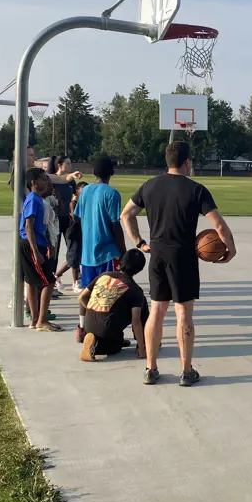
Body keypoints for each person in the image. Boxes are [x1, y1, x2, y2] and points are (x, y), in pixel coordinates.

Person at [121, 141, 236, 387]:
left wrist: (140, 242)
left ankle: (151, 368)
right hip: (183, 257)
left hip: (157, 256)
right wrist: (231, 248)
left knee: (157, 311)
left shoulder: (149, 185)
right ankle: (186, 370)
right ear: (187, 162)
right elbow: (219, 226)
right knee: (183, 313)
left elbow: (126, 214)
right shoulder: (196, 190)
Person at [74, 157, 126, 343]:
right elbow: (115, 224)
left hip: (88, 253)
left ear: (94, 172)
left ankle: (82, 329)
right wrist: (123, 251)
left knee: (87, 293)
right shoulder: (112, 193)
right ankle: (107, 333)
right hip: (107, 252)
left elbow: (77, 217)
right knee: (109, 296)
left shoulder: (85, 190)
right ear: (111, 172)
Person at [78, 249, 149, 362]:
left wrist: (95, 310)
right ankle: (144, 343)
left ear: (121, 262)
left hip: (89, 326)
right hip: (107, 328)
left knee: (117, 339)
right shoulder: (135, 289)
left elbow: (81, 297)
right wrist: (141, 350)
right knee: (141, 303)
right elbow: (136, 321)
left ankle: (92, 340)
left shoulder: (104, 275)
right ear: (139, 270)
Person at [19, 167, 60, 332]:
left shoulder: (37, 199)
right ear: (34, 183)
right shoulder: (34, 200)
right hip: (32, 244)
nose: (46, 181)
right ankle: (41, 320)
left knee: (32, 283)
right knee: (49, 282)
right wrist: (36, 251)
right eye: (43, 179)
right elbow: (28, 225)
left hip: (36, 243)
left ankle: (35, 319)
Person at [50, 156, 78, 291]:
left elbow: (74, 195)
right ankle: (53, 279)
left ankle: (76, 280)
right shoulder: (52, 179)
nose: (70, 166)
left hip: (68, 219)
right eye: (67, 163)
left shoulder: (71, 181)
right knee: (54, 251)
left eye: (71, 163)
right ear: (59, 165)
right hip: (55, 219)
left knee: (74, 249)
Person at [56, 181, 87, 295]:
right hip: (73, 231)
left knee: (74, 257)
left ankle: (57, 275)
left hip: (81, 232)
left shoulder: (85, 203)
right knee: (73, 257)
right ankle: (76, 282)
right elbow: (75, 218)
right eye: (83, 190)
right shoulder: (73, 203)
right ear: (77, 191)